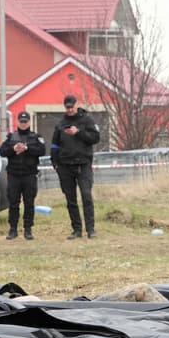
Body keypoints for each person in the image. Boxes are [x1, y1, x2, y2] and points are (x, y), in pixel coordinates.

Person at [51, 95, 102, 239]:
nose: (70, 109)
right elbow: (55, 144)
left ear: (76, 105)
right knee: (70, 199)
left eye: (72, 107)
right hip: (65, 166)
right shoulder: (61, 123)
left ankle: (90, 230)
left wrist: (78, 133)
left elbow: (95, 138)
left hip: (83, 165)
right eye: (67, 107)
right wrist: (54, 161)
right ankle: (77, 229)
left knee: (86, 196)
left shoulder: (87, 120)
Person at [0, 111, 46, 240]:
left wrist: (27, 149)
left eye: (25, 122)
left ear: (29, 122)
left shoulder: (36, 137)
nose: (23, 124)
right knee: (13, 203)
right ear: (18, 122)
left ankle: (28, 229)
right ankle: (13, 229)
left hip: (29, 175)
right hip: (14, 175)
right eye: (21, 121)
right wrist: (13, 149)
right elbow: (2, 151)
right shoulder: (11, 137)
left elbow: (42, 151)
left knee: (29, 203)